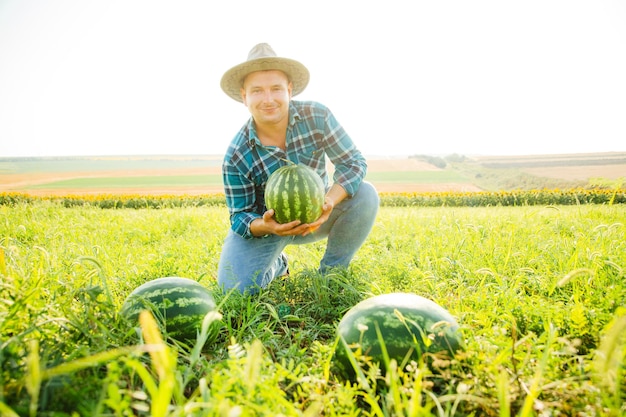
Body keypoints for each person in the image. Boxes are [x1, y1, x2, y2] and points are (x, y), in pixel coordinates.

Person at [217, 43, 379, 294]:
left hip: (318, 215)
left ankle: (332, 275)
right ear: (244, 96)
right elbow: (239, 216)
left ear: (289, 90)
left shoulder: (317, 116)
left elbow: (353, 163)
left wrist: (329, 202)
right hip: (268, 227)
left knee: (366, 194)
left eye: (276, 89)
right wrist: (269, 226)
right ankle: (277, 266)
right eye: (257, 90)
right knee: (235, 290)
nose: (268, 99)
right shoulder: (237, 154)